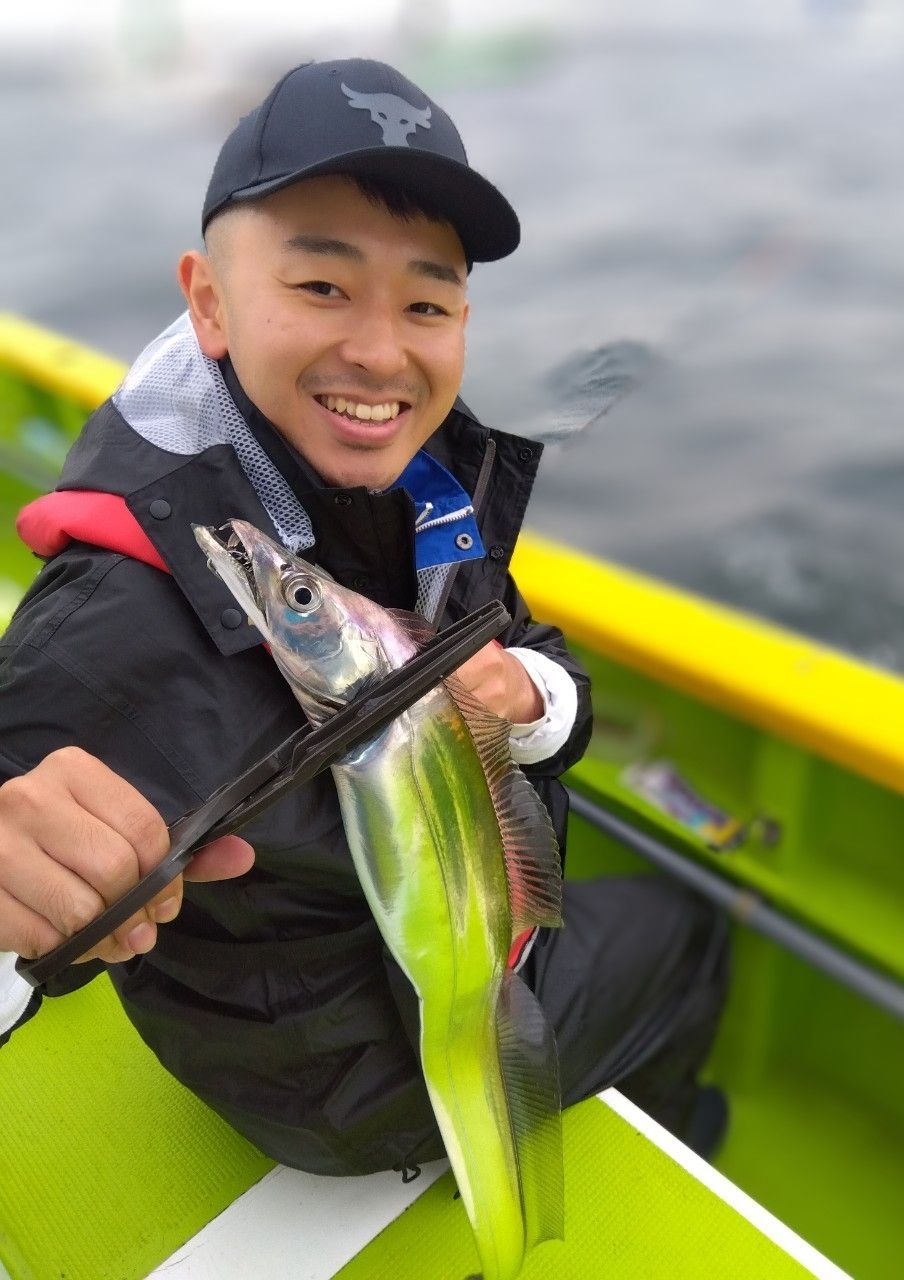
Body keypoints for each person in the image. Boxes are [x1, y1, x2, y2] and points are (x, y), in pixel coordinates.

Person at [0, 59, 729, 1171]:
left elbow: (529, 654)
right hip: (355, 1069)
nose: (382, 355)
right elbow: (26, 800)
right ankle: (684, 1128)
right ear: (207, 300)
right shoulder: (118, 614)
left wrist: (531, 702)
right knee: (690, 932)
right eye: (323, 287)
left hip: (462, 951)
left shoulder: (423, 483)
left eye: (427, 302)